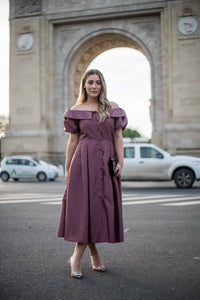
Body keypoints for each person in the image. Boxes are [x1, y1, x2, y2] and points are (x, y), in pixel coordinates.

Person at [57, 69, 128, 279]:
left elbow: (117, 136)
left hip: (106, 162)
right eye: (90, 82)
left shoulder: (113, 108)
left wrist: (121, 162)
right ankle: (79, 258)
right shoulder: (75, 110)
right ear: (84, 85)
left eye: (98, 82)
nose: (94, 86)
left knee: (97, 210)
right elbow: (72, 141)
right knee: (85, 211)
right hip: (82, 162)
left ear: (102, 85)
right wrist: (67, 167)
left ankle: (90, 256)